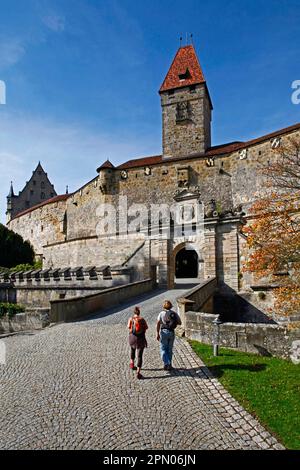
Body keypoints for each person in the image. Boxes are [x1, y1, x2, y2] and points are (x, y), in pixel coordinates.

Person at [156, 300, 182, 371]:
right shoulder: (174, 313)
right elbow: (180, 322)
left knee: (163, 349)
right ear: (170, 306)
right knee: (170, 350)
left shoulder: (161, 313)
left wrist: (157, 333)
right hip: (171, 332)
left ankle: (166, 363)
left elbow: (158, 323)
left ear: (163, 306)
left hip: (163, 332)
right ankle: (169, 365)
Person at [128, 306, 148, 380]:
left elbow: (129, 327)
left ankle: (132, 364)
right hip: (140, 338)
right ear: (139, 313)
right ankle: (138, 372)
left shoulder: (131, 319)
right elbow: (146, 328)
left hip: (132, 338)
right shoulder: (142, 320)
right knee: (139, 356)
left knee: (132, 350)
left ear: (134, 312)